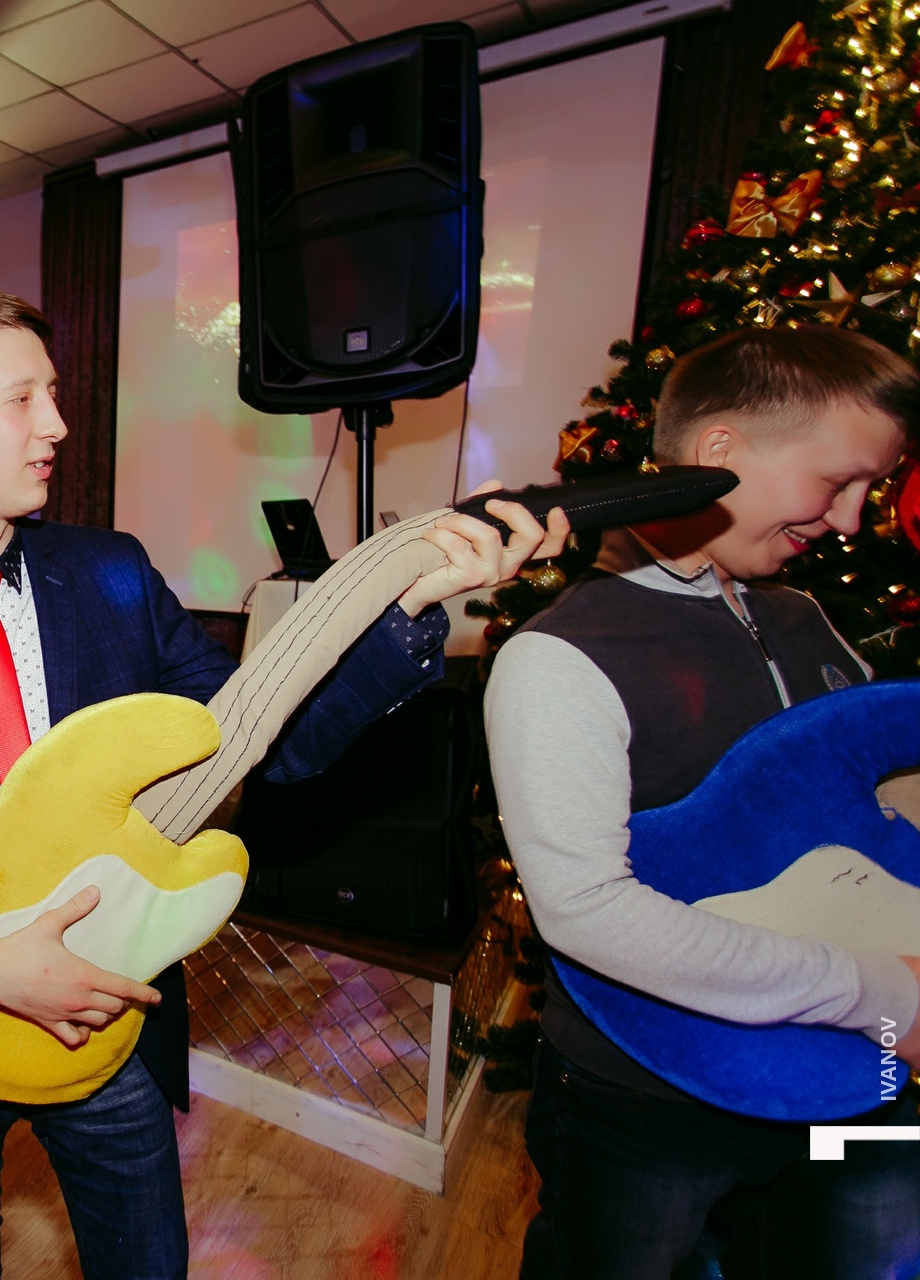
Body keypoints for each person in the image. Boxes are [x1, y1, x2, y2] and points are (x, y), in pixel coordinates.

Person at [0, 286, 565, 1279]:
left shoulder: (112, 573)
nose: (57, 424)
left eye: (55, 394)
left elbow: (267, 742)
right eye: (22, 398)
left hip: (109, 1002)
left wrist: (408, 606)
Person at [485, 326, 920, 1279]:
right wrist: (888, 993)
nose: (851, 522)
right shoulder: (563, 655)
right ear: (721, 450)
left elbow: (877, 803)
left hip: (855, 1079)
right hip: (652, 1107)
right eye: (836, 482)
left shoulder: (803, 614)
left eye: (870, 491)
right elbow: (586, 911)